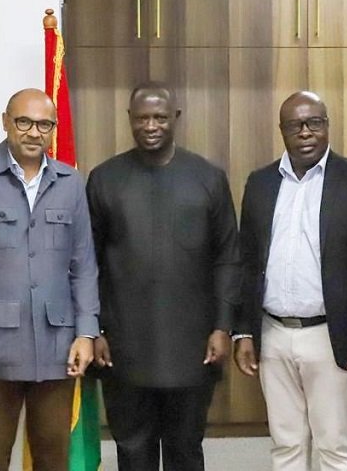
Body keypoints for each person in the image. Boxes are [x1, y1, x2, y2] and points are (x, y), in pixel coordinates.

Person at [232, 91, 347, 471]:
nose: (305, 132)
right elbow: (247, 262)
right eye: (295, 125)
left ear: (326, 126)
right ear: (282, 130)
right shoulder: (260, 183)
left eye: (314, 123)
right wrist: (243, 331)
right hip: (273, 335)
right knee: (285, 446)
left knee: (336, 449)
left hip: (332, 336)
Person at [0, 88, 99, 471]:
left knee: (52, 459)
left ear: (53, 129)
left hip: (57, 346)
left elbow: (84, 265)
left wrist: (87, 333)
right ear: (6, 123)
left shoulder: (71, 182)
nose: (34, 133)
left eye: (44, 124)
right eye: (24, 122)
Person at [86, 81, 240, 471]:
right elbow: (87, 263)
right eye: (142, 118)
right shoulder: (104, 179)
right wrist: (95, 329)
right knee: (133, 451)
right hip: (123, 347)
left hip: (193, 348)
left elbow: (227, 258)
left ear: (176, 118)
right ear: (130, 120)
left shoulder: (208, 177)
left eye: (159, 117)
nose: (150, 125)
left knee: (185, 450)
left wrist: (223, 326)